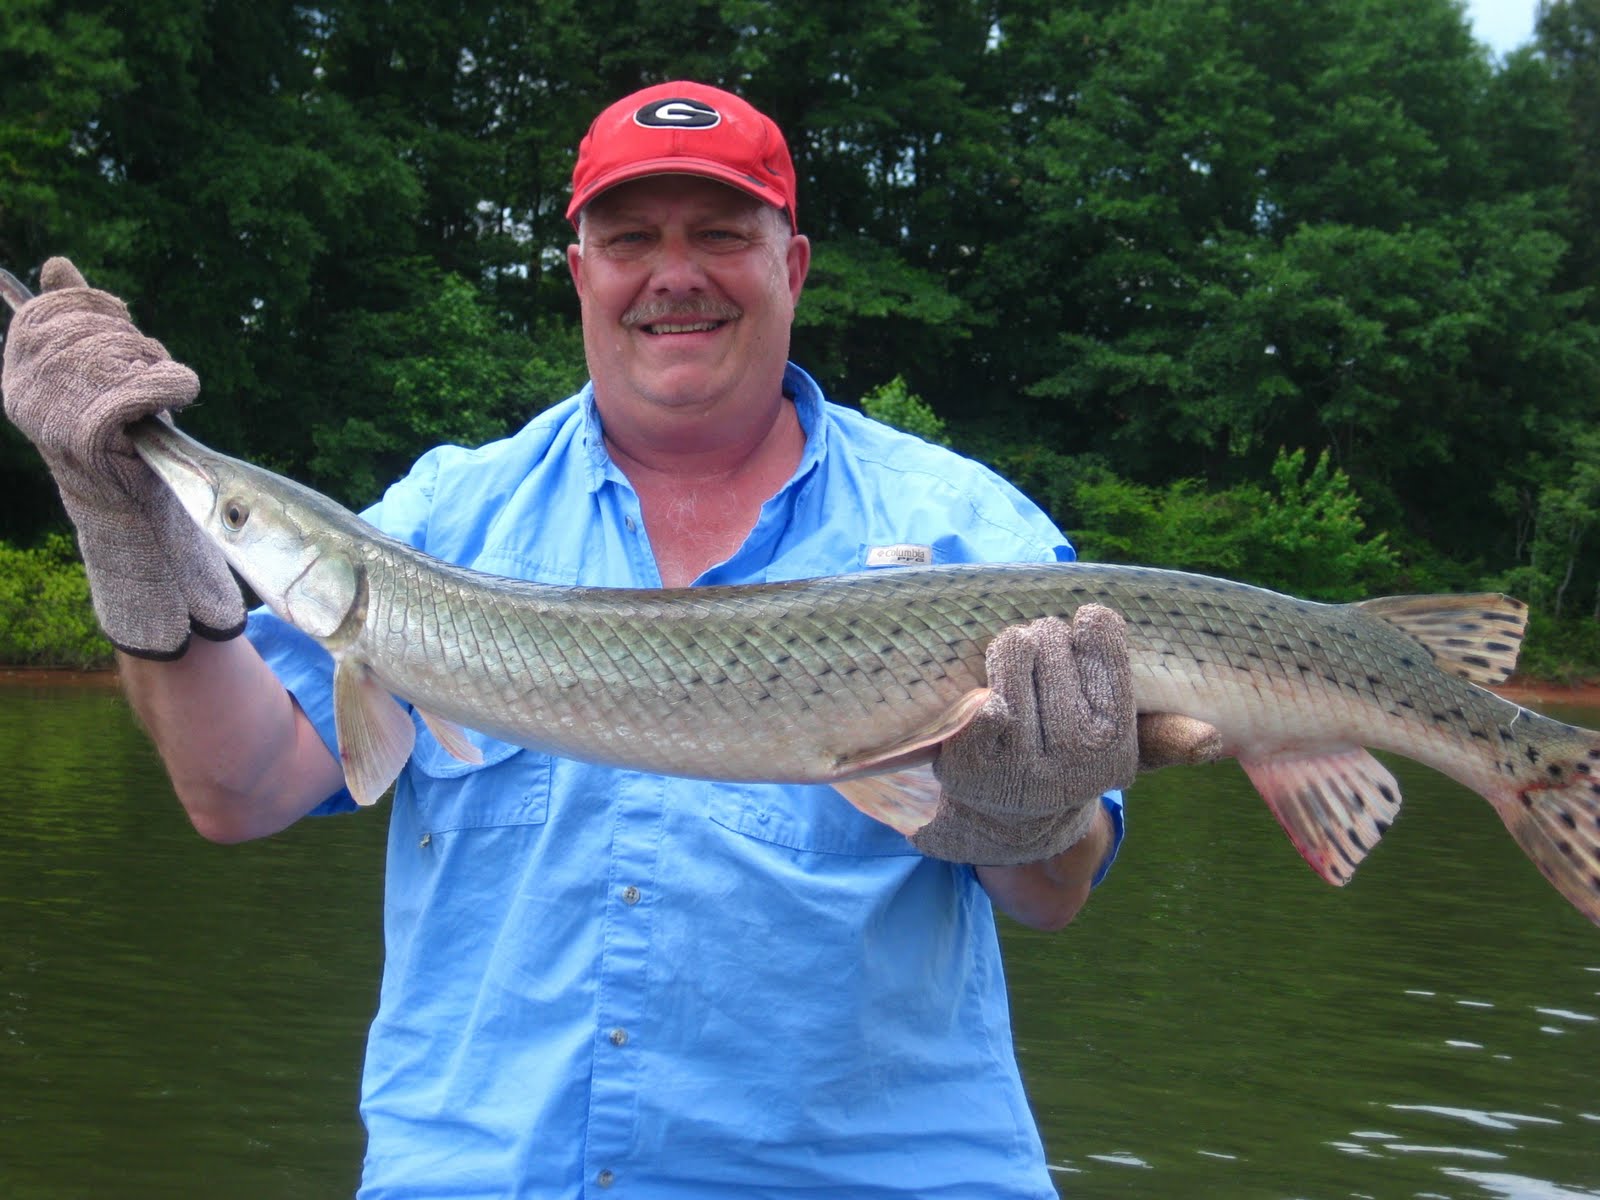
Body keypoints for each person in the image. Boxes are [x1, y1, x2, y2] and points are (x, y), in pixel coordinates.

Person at [3, 82, 1218, 1199]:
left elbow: (1053, 896)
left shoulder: (965, 529)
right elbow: (239, 789)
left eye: (720, 235)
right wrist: (131, 523)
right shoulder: (442, 517)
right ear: (577, 270)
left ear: (792, 265)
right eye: (631, 239)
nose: (671, 275)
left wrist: (1033, 814)